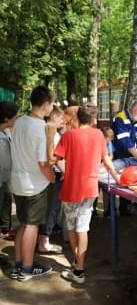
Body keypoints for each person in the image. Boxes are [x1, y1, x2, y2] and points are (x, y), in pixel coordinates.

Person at [49, 104, 119, 284]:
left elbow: (52, 159)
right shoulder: (98, 135)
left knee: (72, 227)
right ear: (94, 119)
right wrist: (118, 179)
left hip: (71, 188)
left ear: (78, 118)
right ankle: (78, 266)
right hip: (90, 189)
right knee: (83, 228)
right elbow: (107, 161)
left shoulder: (69, 136)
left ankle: (78, 267)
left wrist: (50, 137)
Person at [10, 86, 56, 281]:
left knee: (24, 223)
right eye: (52, 104)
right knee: (32, 225)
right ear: (45, 105)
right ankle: (27, 269)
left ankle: (19, 264)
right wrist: (52, 178)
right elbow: (44, 163)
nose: (52, 108)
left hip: (18, 181)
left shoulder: (20, 121)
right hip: (34, 184)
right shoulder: (40, 128)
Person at [38, 105, 65, 253]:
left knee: (50, 208)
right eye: (61, 118)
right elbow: (55, 158)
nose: (63, 121)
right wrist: (66, 171)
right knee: (52, 208)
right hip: (53, 175)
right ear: (54, 117)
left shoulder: (47, 130)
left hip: (48, 174)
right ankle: (44, 241)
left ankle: (42, 239)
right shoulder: (52, 134)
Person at [112, 101, 137, 215]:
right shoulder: (120, 118)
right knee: (118, 181)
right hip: (119, 155)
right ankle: (114, 209)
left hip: (131, 154)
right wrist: (136, 155)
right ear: (133, 110)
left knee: (131, 180)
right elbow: (124, 140)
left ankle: (127, 206)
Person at [0, 101, 19, 266]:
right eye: (16, 117)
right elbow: (6, 162)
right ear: (7, 118)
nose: (17, 120)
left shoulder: (4, 131)